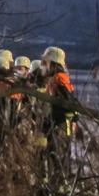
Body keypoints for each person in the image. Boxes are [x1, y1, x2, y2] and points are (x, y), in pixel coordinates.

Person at [39, 46, 77, 180]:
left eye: (46, 62)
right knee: (56, 158)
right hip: (59, 124)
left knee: (59, 158)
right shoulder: (55, 78)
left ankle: (61, 186)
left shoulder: (60, 78)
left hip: (62, 125)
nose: (44, 65)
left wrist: (60, 122)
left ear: (54, 63)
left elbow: (70, 103)